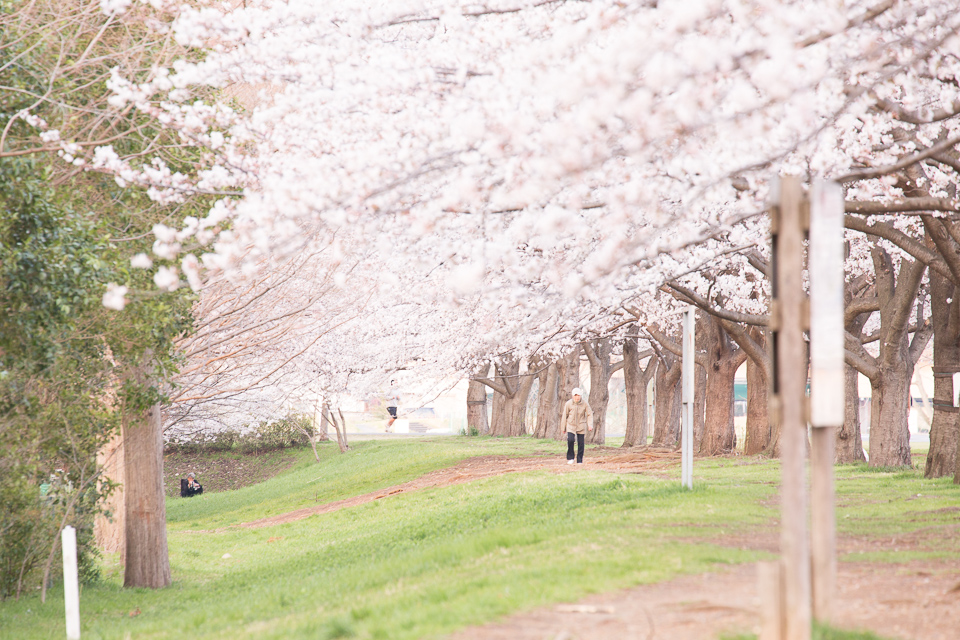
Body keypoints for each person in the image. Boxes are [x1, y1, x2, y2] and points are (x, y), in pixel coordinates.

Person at [560, 387, 593, 464]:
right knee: (570, 440)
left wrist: (590, 424)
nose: (577, 397)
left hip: (581, 425)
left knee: (581, 443)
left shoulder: (585, 404)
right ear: (572, 396)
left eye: (578, 395)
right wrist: (563, 427)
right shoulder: (568, 404)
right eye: (575, 395)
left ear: (581, 396)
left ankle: (579, 460)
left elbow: (589, 414)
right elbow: (565, 416)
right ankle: (571, 457)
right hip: (570, 425)